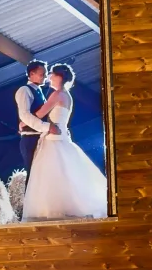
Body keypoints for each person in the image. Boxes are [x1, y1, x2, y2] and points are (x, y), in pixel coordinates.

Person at [20, 62, 109, 221]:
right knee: (65, 173)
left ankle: (52, 209)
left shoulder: (57, 94)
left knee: (50, 175)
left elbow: (40, 113)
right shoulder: (67, 95)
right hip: (61, 136)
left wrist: (24, 122)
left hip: (53, 138)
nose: (49, 77)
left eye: (52, 74)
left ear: (59, 77)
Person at [12, 60, 52, 179]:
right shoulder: (24, 90)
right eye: (42, 74)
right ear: (32, 74)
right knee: (33, 176)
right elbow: (25, 114)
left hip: (39, 137)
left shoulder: (38, 90)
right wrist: (46, 127)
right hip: (30, 139)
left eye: (45, 74)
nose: (45, 77)